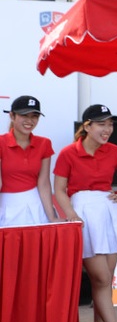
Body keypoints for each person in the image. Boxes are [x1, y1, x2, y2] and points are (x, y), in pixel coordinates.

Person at [53, 104, 117, 322]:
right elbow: (59, 189)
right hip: (83, 212)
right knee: (100, 277)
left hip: (108, 210)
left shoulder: (113, 150)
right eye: (101, 124)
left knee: (106, 280)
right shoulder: (68, 153)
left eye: (110, 124)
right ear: (87, 126)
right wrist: (72, 216)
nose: (107, 129)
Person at [0, 95, 59, 226]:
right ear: (12, 116)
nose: (30, 121)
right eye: (24, 115)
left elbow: (43, 183)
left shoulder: (44, 143)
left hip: (36, 205)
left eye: (34, 116)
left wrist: (52, 217)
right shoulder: (1, 143)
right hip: (6, 206)